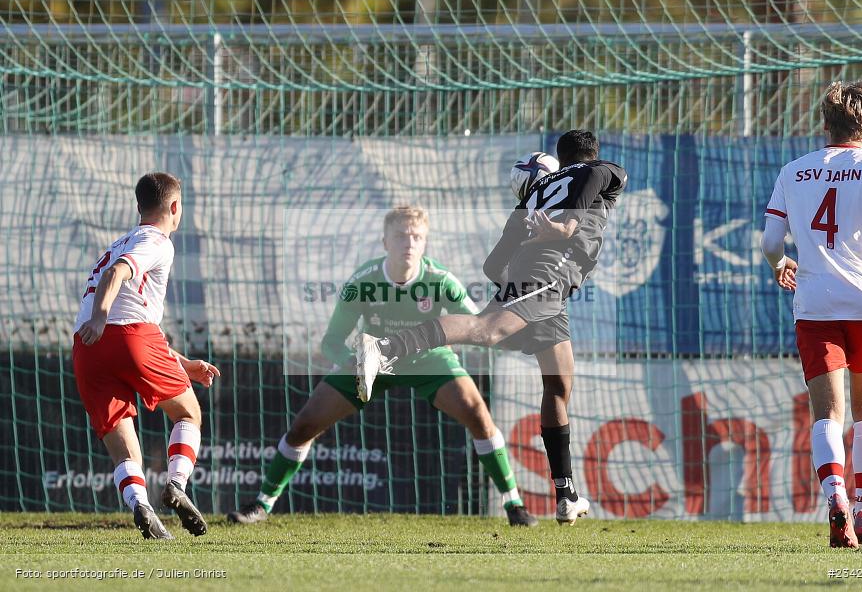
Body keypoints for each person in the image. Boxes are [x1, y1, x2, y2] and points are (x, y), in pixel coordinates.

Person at [356, 131, 626, 525]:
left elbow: (491, 265)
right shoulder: (599, 170)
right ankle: (384, 348)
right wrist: (565, 229)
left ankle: (566, 496)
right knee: (487, 330)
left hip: (545, 283)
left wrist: (516, 274)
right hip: (550, 273)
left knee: (559, 385)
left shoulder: (531, 199)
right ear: (588, 155)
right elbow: (597, 179)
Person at [228, 206, 537, 526]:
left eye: (417, 237)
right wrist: (354, 363)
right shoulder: (364, 281)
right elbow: (331, 341)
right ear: (385, 242)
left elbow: (474, 324)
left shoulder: (441, 281)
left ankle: (514, 506)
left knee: (478, 414)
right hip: (371, 359)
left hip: (428, 359)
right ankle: (262, 505)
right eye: (401, 236)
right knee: (304, 424)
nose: (410, 243)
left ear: (425, 243)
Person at [761, 81, 862, 548]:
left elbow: (768, 242)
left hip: (816, 302)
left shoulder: (794, 171)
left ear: (825, 122)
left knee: (827, 412)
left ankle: (835, 498)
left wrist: (780, 264)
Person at [72, 172, 220, 540]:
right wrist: (102, 318)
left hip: (87, 348)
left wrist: (183, 364)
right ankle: (177, 485)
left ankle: (140, 504)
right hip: (122, 334)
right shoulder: (157, 240)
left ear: (139, 207)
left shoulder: (119, 241)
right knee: (188, 413)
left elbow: (131, 310)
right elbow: (116, 276)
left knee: (123, 446)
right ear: (174, 207)